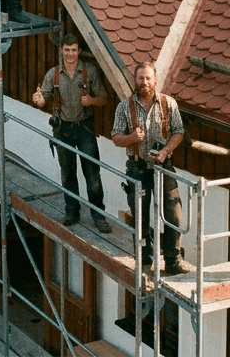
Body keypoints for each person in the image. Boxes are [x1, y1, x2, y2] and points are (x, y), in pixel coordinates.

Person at [110, 62, 192, 275]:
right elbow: (116, 137)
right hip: (138, 168)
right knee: (140, 216)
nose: (144, 82)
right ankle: (145, 262)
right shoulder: (124, 107)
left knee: (174, 214)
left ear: (155, 80)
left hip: (164, 167)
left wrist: (165, 151)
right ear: (134, 81)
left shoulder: (168, 103)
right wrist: (131, 138)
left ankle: (173, 261)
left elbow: (178, 132)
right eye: (140, 78)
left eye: (148, 78)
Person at [32, 34, 110, 233]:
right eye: (67, 50)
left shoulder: (89, 72)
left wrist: (91, 101)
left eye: (74, 50)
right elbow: (43, 99)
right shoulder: (54, 74)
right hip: (62, 129)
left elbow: (104, 98)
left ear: (79, 51)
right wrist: (39, 99)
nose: (70, 54)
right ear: (61, 51)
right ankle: (71, 212)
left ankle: (98, 215)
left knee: (92, 173)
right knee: (67, 173)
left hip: (84, 128)